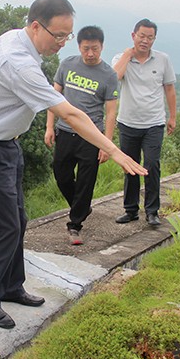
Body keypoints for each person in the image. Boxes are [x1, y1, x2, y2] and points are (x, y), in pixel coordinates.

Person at [0, 0, 147, 329]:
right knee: (5, 228)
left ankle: (12, 286)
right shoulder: (16, 61)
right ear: (36, 26)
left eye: (67, 36)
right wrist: (116, 151)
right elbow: (71, 114)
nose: (62, 44)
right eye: (58, 36)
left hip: (7, 145)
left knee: (18, 219)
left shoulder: (20, 41)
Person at [45, 26, 118, 245]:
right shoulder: (67, 64)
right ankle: (83, 208)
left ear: (102, 47)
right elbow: (53, 97)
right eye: (86, 49)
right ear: (79, 47)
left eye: (95, 49)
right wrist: (49, 127)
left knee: (86, 182)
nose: (90, 54)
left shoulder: (109, 75)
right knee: (61, 174)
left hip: (91, 135)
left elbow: (111, 112)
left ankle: (74, 225)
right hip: (65, 131)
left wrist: (106, 143)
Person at [112, 19, 177, 227]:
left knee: (151, 165)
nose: (145, 41)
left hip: (154, 122)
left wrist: (172, 116)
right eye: (142, 36)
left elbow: (169, 88)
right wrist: (126, 55)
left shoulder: (162, 59)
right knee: (130, 167)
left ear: (154, 39)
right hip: (128, 122)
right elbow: (114, 79)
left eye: (150, 37)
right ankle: (131, 210)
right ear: (133, 36)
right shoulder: (121, 58)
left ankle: (152, 212)